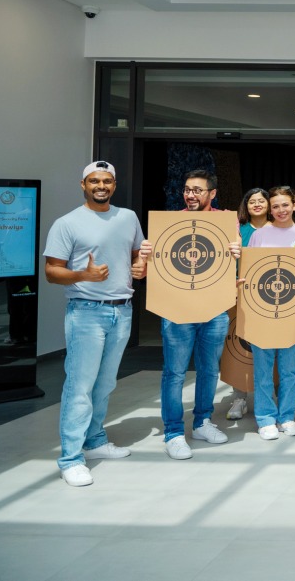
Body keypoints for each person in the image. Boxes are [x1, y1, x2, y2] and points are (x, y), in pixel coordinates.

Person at [44, 161, 147, 486]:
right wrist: (83, 275)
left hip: (122, 310)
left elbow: (135, 256)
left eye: (106, 181)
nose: (100, 186)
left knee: (105, 384)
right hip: (86, 312)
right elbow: (51, 271)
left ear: (113, 185)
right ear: (83, 184)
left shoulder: (128, 217)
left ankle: (95, 441)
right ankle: (71, 459)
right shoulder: (67, 223)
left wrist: (140, 268)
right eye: (94, 181)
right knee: (79, 387)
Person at [146, 170, 240, 460]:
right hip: (176, 309)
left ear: (212, 194)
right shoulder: (170, 223)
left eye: (198, 190)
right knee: (174, 373)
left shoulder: (227, 220)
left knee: (210, 369)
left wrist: (238, 251)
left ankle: (202, 422)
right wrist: (147, 253)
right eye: (187, 190)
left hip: (214, 308)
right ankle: (173, 432)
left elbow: (231, 259)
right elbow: (159, 265)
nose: (190, 195)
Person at [246, 186, 295, 441]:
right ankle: (265, 418)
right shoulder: (259, 236)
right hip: (261, 311)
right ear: (270, 209)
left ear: (294, 204)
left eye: (285, 205)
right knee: (263, 369)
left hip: (293, 312)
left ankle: (286, 416)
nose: (281, 210)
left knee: (289, 369)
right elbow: (249, 271)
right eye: (275, 206)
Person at [225, 187, 268, 422]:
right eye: (253, 201)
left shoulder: (277, 229)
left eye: (262, 201)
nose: (257, 205)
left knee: (269, 345)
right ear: (246, 206)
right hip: (240, 294)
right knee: (238, 346)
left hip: (270, 297)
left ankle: (271, 394)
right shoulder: (238, 230)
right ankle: (239, 397)